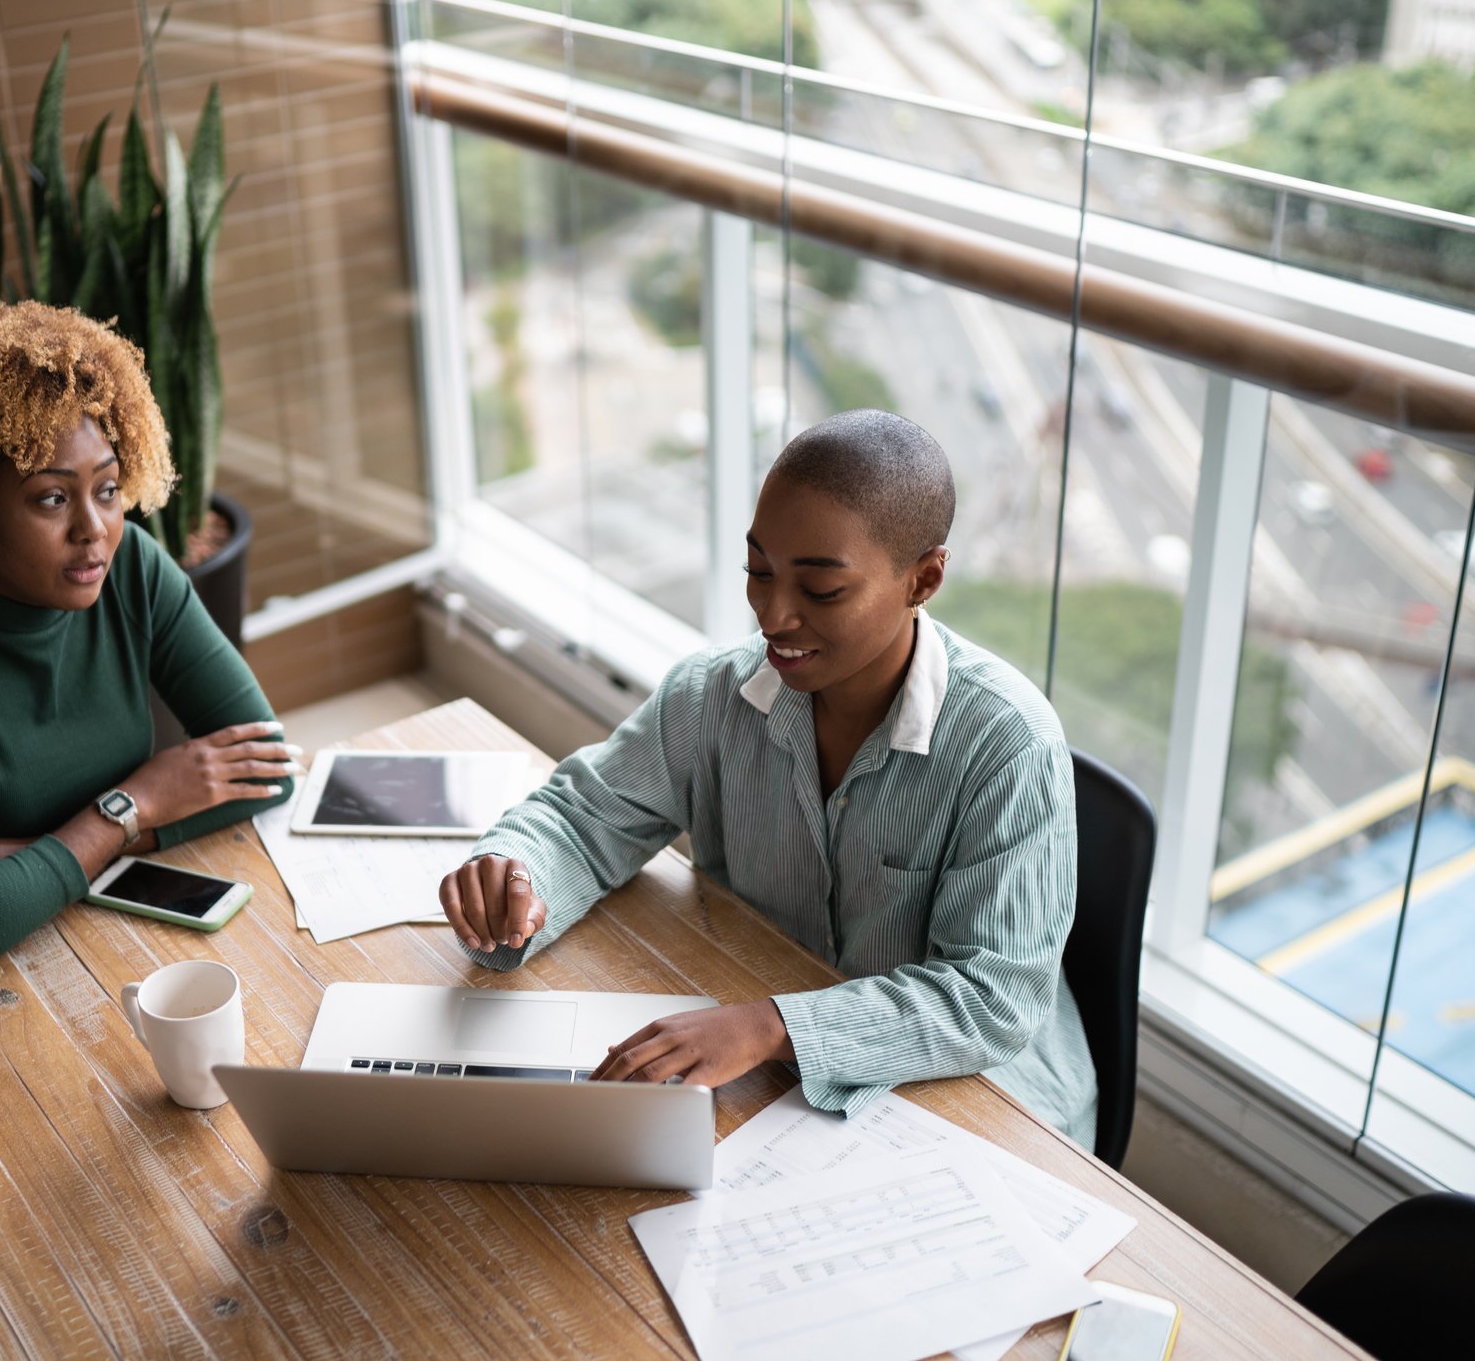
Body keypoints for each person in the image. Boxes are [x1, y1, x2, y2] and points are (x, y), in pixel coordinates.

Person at [437, 409, 1096, 1145]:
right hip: (771, 1059)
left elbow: (990, 998)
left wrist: (773, 1026)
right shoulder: (711, 695)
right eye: (759, 571)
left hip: (982, 1101)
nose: (773, 616)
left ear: (925, 578)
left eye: (820, 592)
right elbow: (583, 817)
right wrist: (516, 871)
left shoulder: (1009, 748)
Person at [0, 300, 298, 984]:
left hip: (107, 940)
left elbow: (267, 770)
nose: (95, 530)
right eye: (52, 498)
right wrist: (130, 808)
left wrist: (69, 845)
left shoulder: (131, 567)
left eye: (108, 489)